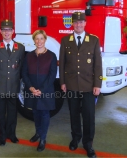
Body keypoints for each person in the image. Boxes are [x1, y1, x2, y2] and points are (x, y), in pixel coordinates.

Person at [59, 12, 102, 158]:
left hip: (89, 85)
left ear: (85, 23)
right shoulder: (65, 40)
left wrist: (98, 84)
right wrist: (62, 82)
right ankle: (76, 137)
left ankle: (88, 143)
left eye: (81, 22)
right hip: (71, 85)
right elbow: (62, 63)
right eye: (76, 22)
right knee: (73, 113)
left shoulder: (94, 40)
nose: (78, 25)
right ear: (72, 24)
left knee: (89, 115)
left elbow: (97, 65)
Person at [0, 19, 25, 146]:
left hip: (14, 86)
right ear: (0, 32)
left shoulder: (20, 48)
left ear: (13, 31)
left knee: (12, 113)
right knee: (0, 113)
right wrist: (1, 76)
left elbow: (21, 66)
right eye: (4, 30)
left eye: (9, 30)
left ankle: (12, 134)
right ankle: (2, 136)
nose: (6, 32)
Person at [22, 30, 57, 152]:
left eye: (41, 38)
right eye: (37, 39)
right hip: (32, 90)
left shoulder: (51, 56)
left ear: (45, 40)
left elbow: (52, 75)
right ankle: (37, 133)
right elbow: (24, 73)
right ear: (34, 40)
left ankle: (43, 138)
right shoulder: (29, 56)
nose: (39, 41)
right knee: (35, 113)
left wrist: (41, 90)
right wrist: (31, 88)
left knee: (44, 114)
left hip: (45, 90)